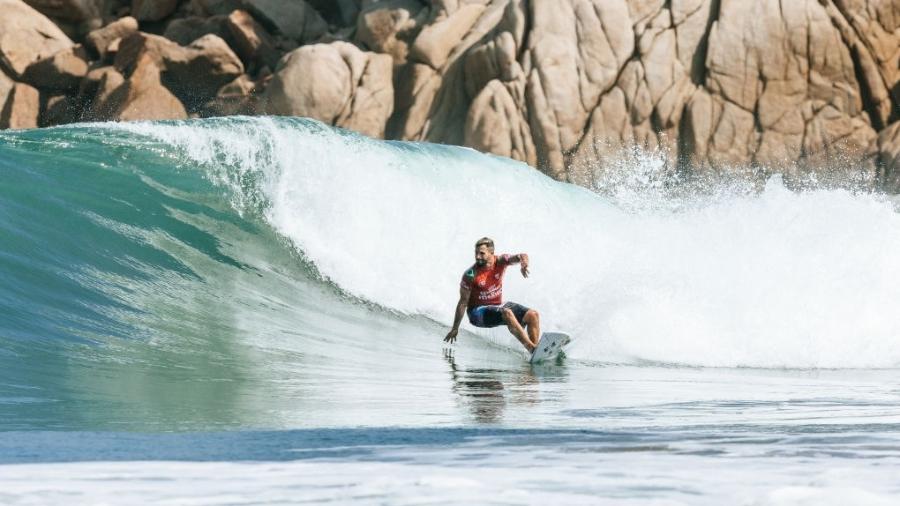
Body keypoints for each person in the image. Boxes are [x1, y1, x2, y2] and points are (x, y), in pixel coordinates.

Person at [444, 237, 541, 353]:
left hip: (497, 305)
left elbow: (521, 255)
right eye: (476, 253)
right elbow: (463, 303)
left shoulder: (501, 261)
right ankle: (531, 348)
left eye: (482, 253)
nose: (477, 256)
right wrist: (455, 328)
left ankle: (536, 353)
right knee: (507, 312)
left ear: (491, 253)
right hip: (477, 313)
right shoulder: (470, 274)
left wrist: (524, 263)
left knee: (533, 315)